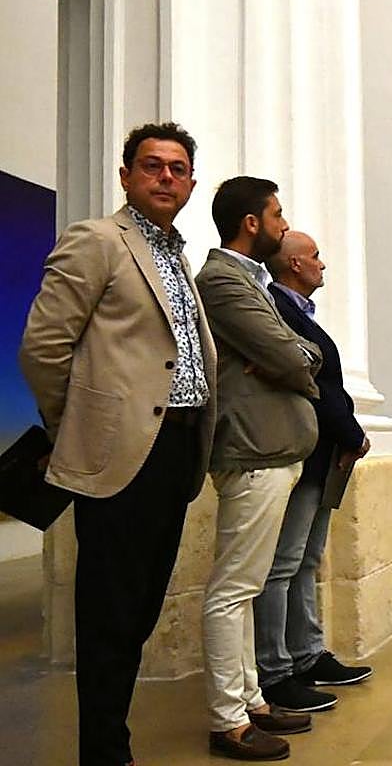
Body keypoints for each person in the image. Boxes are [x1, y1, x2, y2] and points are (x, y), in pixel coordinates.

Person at [19, 122, 217, 766]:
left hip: (178, 450)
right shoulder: (98, 241)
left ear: (190, 182)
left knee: (140, 606)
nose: (166, 177)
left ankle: (114, 735)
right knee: (110, 610)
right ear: (126, 175)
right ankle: (104, 749)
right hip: (124, 451)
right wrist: (72, 428)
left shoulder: (176, 254)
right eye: (153, 165)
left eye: (178, 168)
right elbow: (45, 347)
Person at [195, 177, 322, 761]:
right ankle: (228, 719)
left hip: (272, 451)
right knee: (232, 590)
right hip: (252, 452)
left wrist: (291, 360)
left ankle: (252, 701)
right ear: (252, 222)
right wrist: (287, 361)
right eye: (276, 213)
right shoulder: (222, 281)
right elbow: (289, 354)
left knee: (244, 588)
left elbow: (303, 352)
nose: (282, 221)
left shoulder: (252, 281)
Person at [254, 231, 372, 713]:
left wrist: (348, 434)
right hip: (303, 449)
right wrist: (351, 432)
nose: (323, 264)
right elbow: (314, 385)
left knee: (307, 560)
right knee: (281, 565)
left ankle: (307, 654)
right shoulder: (276, 310)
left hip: (324, 452)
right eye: (316, 256)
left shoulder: (298, 312)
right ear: (296, 265)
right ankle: (275, 669)